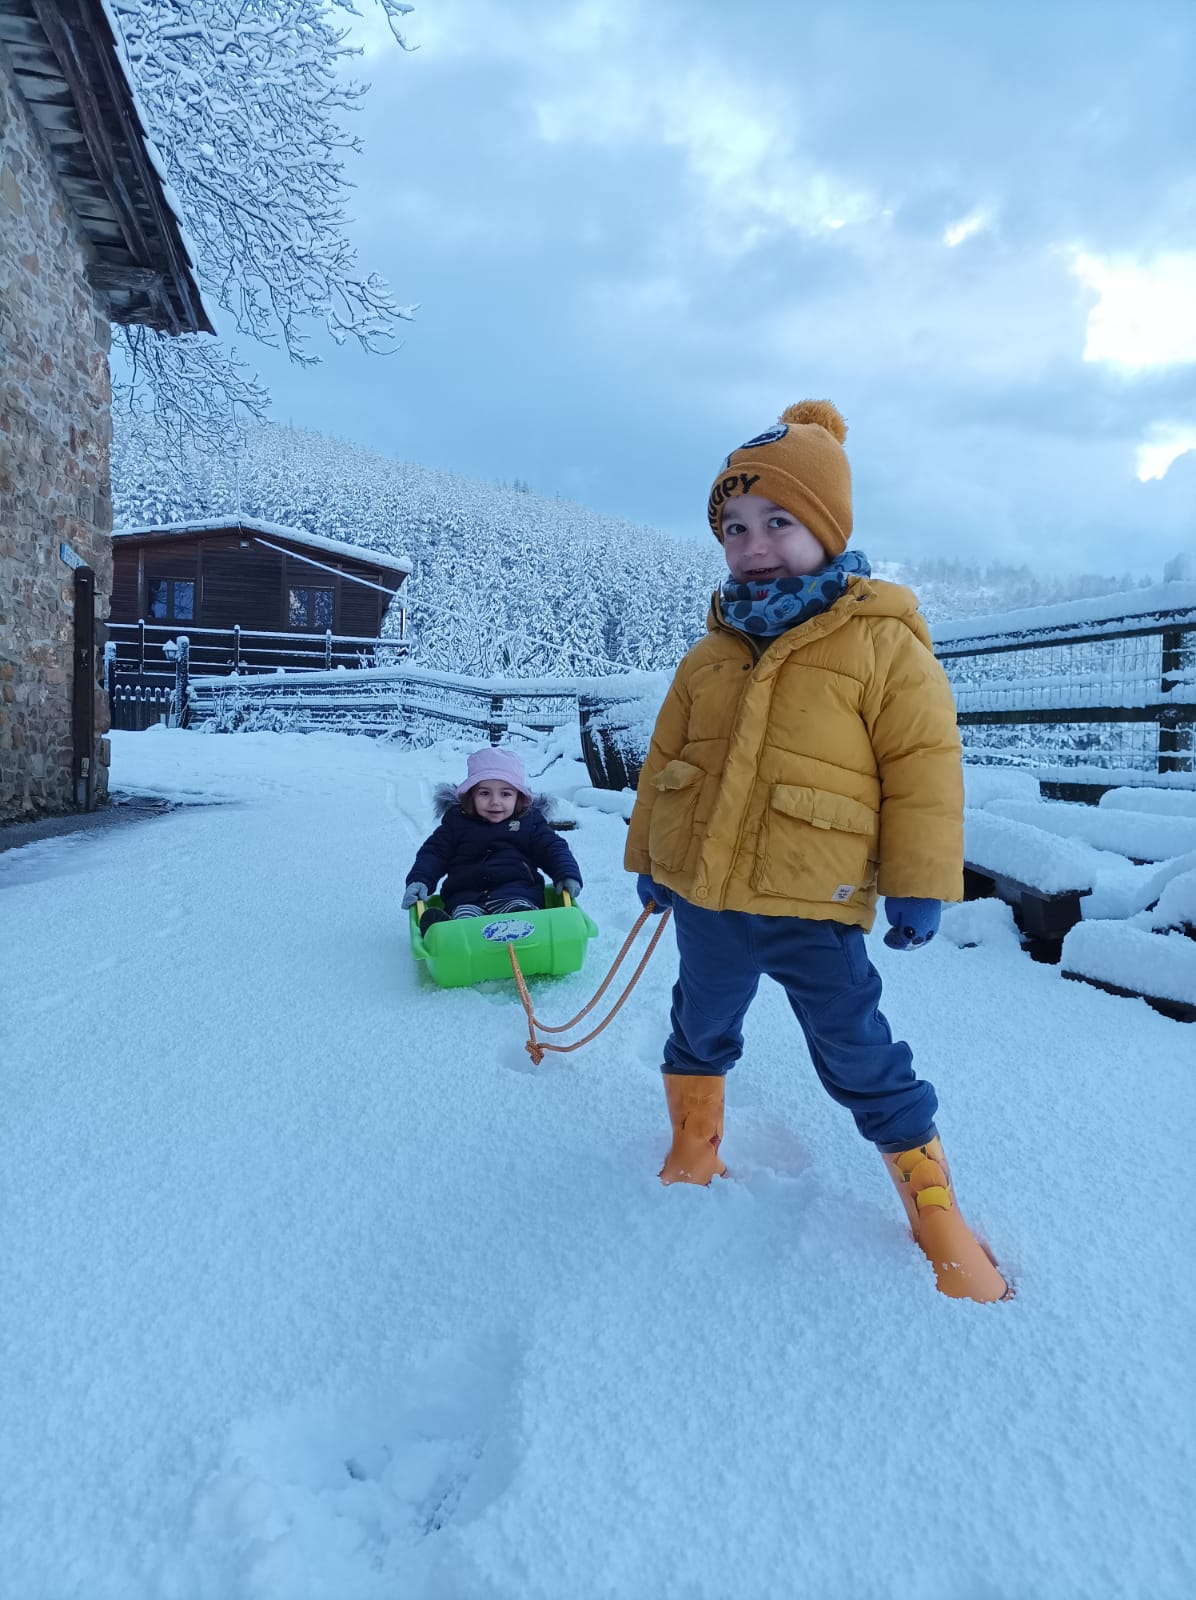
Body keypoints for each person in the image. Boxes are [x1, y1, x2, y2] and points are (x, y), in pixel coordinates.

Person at [625, 400, 1008, 1303]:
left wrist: (920, 884)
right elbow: (667, 763)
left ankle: (931, 1202)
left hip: (813, 900)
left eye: (778, 522)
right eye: (733, 527)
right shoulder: (708, 657)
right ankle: (694, 1142)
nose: (752, 544)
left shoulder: (882, 645)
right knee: (699, 1022)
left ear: (829, 529)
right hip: (708, 899)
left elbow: (922, 769)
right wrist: (653, 856)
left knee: (857, 1049)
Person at [402, 748, 582, 934]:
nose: (495, 802)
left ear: (519, 797)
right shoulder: (456, 823)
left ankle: (526, 926)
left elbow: (552, 847)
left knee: (520, 914)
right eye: (485, 793)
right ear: (471, 795)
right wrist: (420, 880)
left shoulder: (529, 822)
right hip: (466, 897)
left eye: (505, 794)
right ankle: (444, 931)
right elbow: (434, 853)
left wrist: (566, 873)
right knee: (465, 921)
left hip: (516, 892)